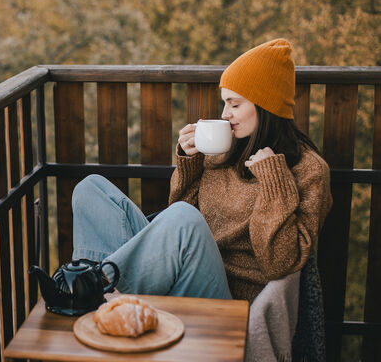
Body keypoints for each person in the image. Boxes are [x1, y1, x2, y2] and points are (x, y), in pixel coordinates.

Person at [71, 38, 333, 302]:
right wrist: (190, 162)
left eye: (234, 104)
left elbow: (280, 264)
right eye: (224, 103)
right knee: (91, 190)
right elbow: (176, 220)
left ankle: (92, 293)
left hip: (229, 298)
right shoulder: (225, 150)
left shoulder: (309, 170)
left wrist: (274, 179)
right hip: (183, 272)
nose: (225, 114)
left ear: (266, 105)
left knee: (184, 217)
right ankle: (92, 286)